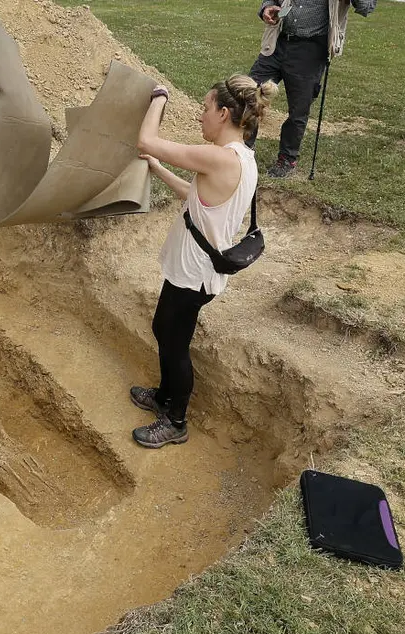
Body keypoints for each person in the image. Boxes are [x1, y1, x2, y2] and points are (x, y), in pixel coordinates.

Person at [131, 75, 276, 448]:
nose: (200, 116)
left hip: (194, 272)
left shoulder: (218, 157)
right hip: (193, 268)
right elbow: (198, 199)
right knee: (165, 330)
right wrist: (158, 170)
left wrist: (160, 97)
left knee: (175, 342)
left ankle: (176, 420)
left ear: (224, 112)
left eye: (205, 108)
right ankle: (164, 397)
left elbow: (146, 140)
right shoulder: (242, 158)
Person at [250, 0, 376, 178]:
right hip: (277, 43)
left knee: (298, 111)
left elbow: (366, 7)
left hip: (311, 50)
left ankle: (287, 159)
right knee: (248, 94)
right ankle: (243, 150)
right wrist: (266, 8)